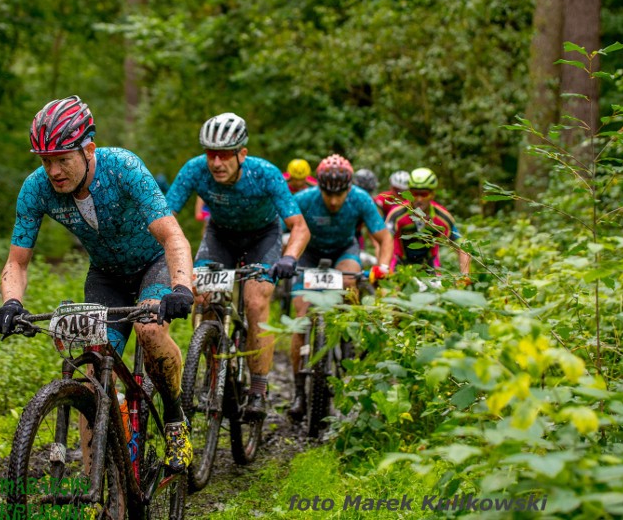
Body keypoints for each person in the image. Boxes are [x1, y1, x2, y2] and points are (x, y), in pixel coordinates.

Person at [0, 95, 194, 473]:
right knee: (91, 370)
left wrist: (181, 288)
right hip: (106, 275)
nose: (53, 171)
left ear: (89, 149)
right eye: (45, 161)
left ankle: (176, 418)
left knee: (149, 333)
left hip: (152, 265)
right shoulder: (36, 189)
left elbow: (173, 238)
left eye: (62, 158)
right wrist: (11, 303)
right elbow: (17, 261)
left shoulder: (123, 167)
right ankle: (99, 486)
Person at [165, 112, 310, 420]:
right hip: (221, 236)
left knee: (255, 302)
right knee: (202, 297)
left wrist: (289, 257)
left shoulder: (265, 173)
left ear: (242, 154)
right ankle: (213, 363)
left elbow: (299, 226)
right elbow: (165, 215)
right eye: (211, 154)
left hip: (263, 237)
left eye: (224, 155)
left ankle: (258, 387)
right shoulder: (194, 170)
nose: (216, 163)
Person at [287, 155, 388, 420]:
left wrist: (384, 267)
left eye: (340, 194)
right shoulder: (305, 199)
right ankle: (299, 391)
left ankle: (348, 342)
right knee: (301, 318)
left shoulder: (360, 199)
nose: (333, 201)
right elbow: (276, 229)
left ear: (349, 188)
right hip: (309, 254)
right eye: (328, 194)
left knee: (350, 281)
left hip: (345, 250)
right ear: (319, 187)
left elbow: (384, 238)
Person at [371, 167, 471, 282]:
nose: (419, 199)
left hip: (430, 264)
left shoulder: (442, 217)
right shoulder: (397, 214)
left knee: (436, 296)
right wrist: (383, 267)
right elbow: (386, 240)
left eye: (424, 194)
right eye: (414, 194)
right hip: (400, 262)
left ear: (432, 194)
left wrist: (465, 275)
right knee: (391, 294)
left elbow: (461, 246)